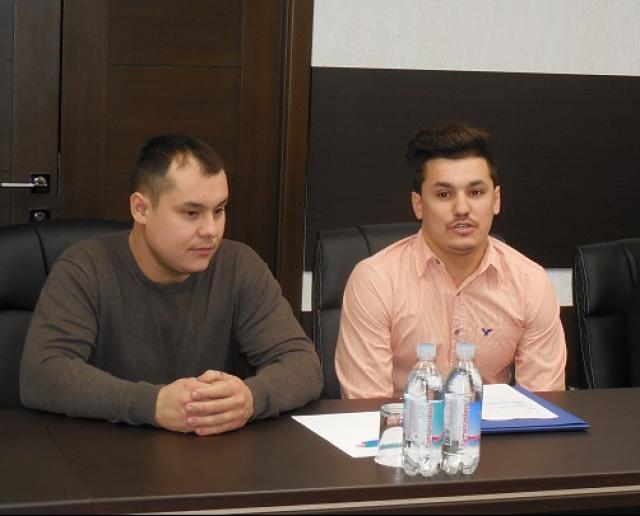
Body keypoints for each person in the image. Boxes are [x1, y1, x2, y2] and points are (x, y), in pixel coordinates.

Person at [20, 134, 322, 435]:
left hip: (213, 455)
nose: (211, 230)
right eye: (191, 213)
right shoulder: (86, 268)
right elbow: (42, 373)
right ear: (141, 209)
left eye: (219, 210)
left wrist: (249, 399)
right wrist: (152, 404)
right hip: (104, 452)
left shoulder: (239, 265)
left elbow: (302, 364)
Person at [335, 121, 567, 398]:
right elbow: (365, 409)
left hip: (491, 426)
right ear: (418, 205)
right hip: (402, 426)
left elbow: (543, 405)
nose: (462, 208)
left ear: (496, 200)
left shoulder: (530, 282)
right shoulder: (376, 281)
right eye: (444, 194)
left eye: (476, 193)